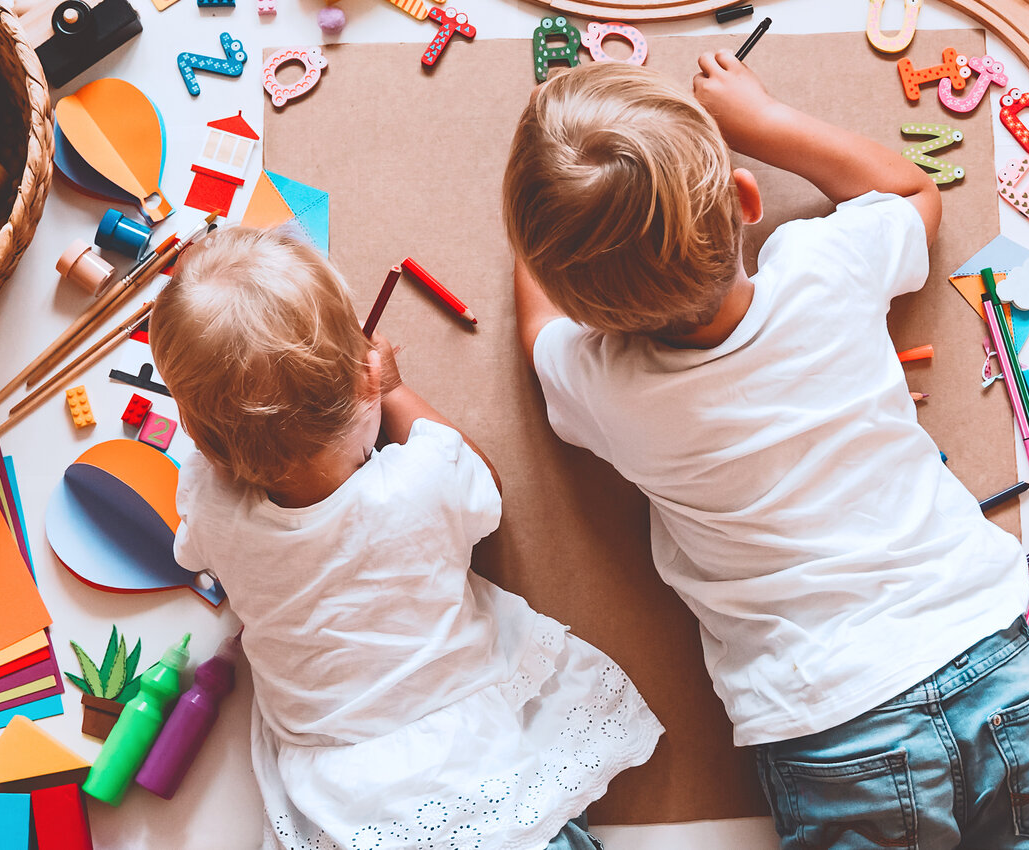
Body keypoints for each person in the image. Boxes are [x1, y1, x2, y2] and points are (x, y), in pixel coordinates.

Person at [504, 58, 1029, 850]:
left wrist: (546, 210)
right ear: (748, 200)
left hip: (833, 724)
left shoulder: (604, 387)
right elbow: (915, 194)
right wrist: (762, 119)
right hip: (987, 655)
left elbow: (538, 331)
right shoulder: (828, 267)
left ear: (589, 312)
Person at [153, 226, 661, 850]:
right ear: (363, 378)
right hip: (469, 756)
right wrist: (392, 391)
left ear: (203, 442)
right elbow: (487, 488)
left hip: (342, 795)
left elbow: (198, 517)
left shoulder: (211, 507)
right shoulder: (419, 483)